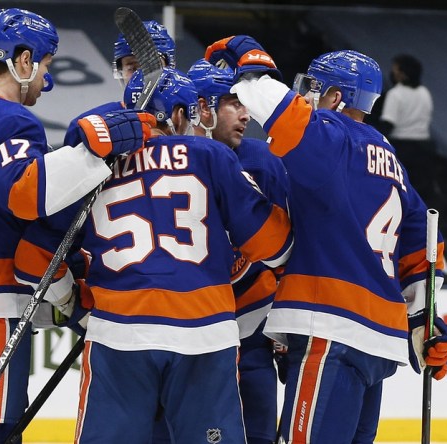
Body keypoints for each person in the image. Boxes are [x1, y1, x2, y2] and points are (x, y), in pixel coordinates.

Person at [0, 8, 150, 443]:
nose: (45, 79)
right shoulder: (10, 119)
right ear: (24, 62)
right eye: (46, 65)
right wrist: (90, 153)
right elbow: (24, 196)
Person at [13, 67, 293, 443]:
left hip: (119, 335)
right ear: (179, 115)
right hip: (205, 333)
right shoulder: (212, 155)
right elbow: (276, 247)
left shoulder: (92, 166)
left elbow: (32, 260)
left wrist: (73, 301)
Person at [204, 37, 447, 443]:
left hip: (331, 327)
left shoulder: (333, 136)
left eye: (314, 89)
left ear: (337, 96)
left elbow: (276, 106)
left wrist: (248, 59)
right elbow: (425, 248)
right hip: (380, 342)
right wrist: (423, 323)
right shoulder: (391, 159)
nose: (305, 97)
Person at [181, 58, 290, 444]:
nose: (246, 115)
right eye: (234, 103)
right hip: (192, 333)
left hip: (254, 327)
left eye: (246, 104)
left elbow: (288, 249)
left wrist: (285, 325)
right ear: (204, 108)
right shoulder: (167, 163)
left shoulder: (263, 159)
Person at [61, 20, 176, 149]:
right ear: (120, 72)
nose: (141, 77)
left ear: (170, 68)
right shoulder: (86, 125)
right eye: (132, 68)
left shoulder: (187, 116)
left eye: (150, 65)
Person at [378, 54, 437, 205]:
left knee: (400, 193)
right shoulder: (425, 93)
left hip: (403, 149)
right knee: (421, 195)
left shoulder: (395, 94)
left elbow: (388, 124)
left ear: (403, 74)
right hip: (425, 150)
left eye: (395, 70)